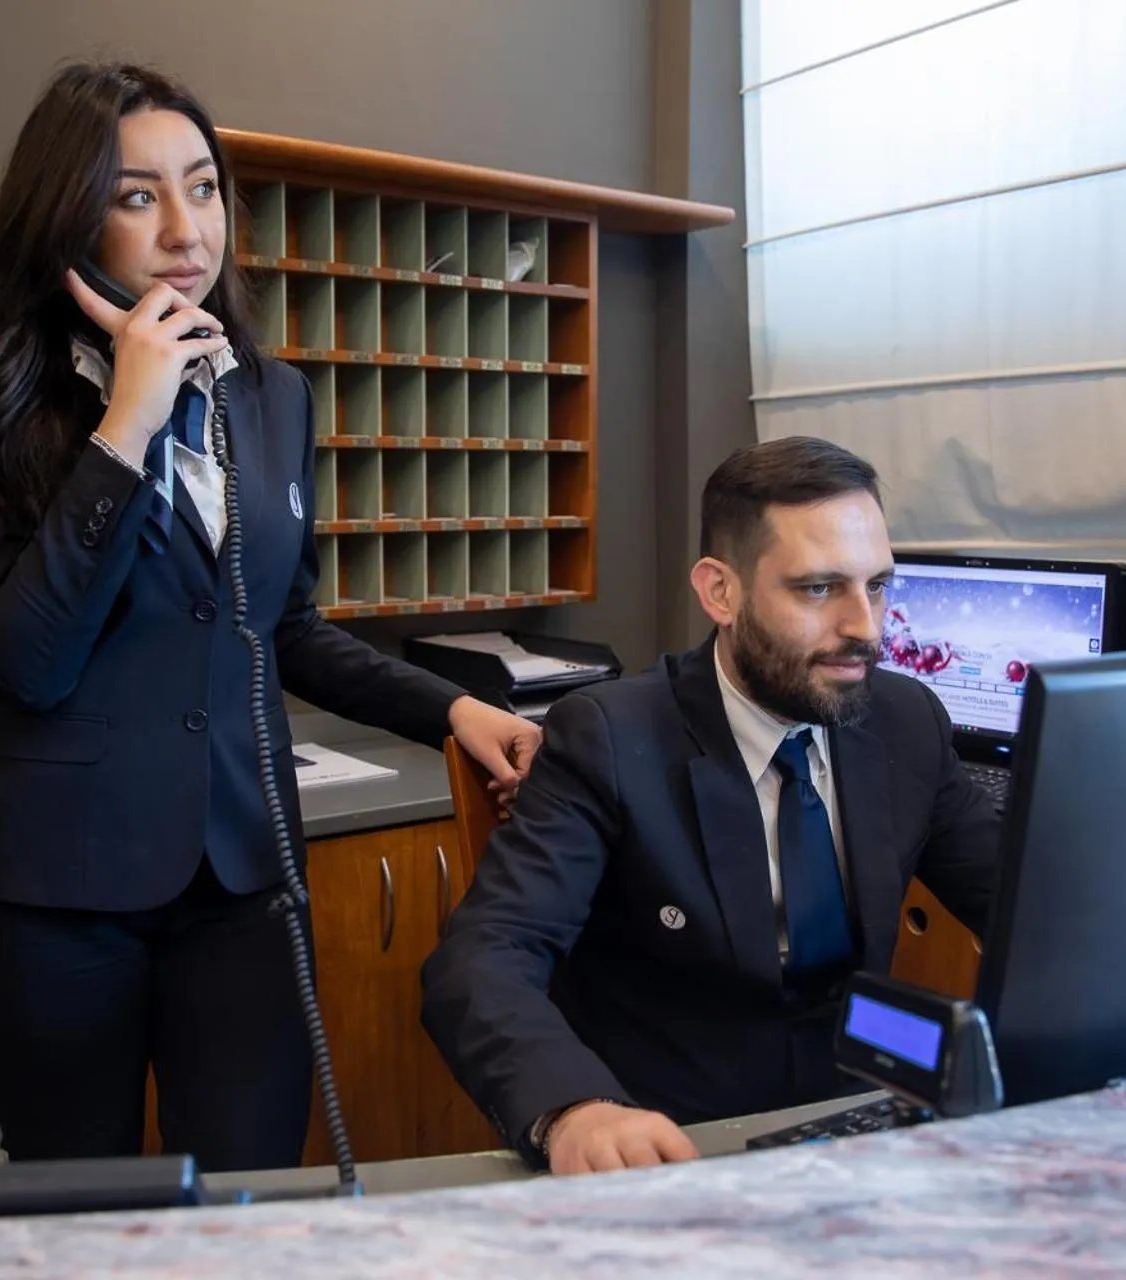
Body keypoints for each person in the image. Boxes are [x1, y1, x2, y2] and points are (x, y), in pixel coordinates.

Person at [0, 61, 540, 1172]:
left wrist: (451, 710)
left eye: (203, 187)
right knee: (83, 1214)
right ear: (64, 214)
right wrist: (128, 422)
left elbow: (284, 625)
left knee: (251, 1193)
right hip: (52, 891)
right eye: (135, 194)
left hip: (242, 879)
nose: (184, 227)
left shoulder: (270, 392)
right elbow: (25, 657)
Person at [421, 436, 1001, 1175]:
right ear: (720, 592)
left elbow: (1026, 902)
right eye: (819, 589)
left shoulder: (903, 718)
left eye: (878, 585)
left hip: (863, 1118)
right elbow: (482, 959)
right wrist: (573, 1109)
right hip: (671, 1138)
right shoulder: (609, 735)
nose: (867, 626)